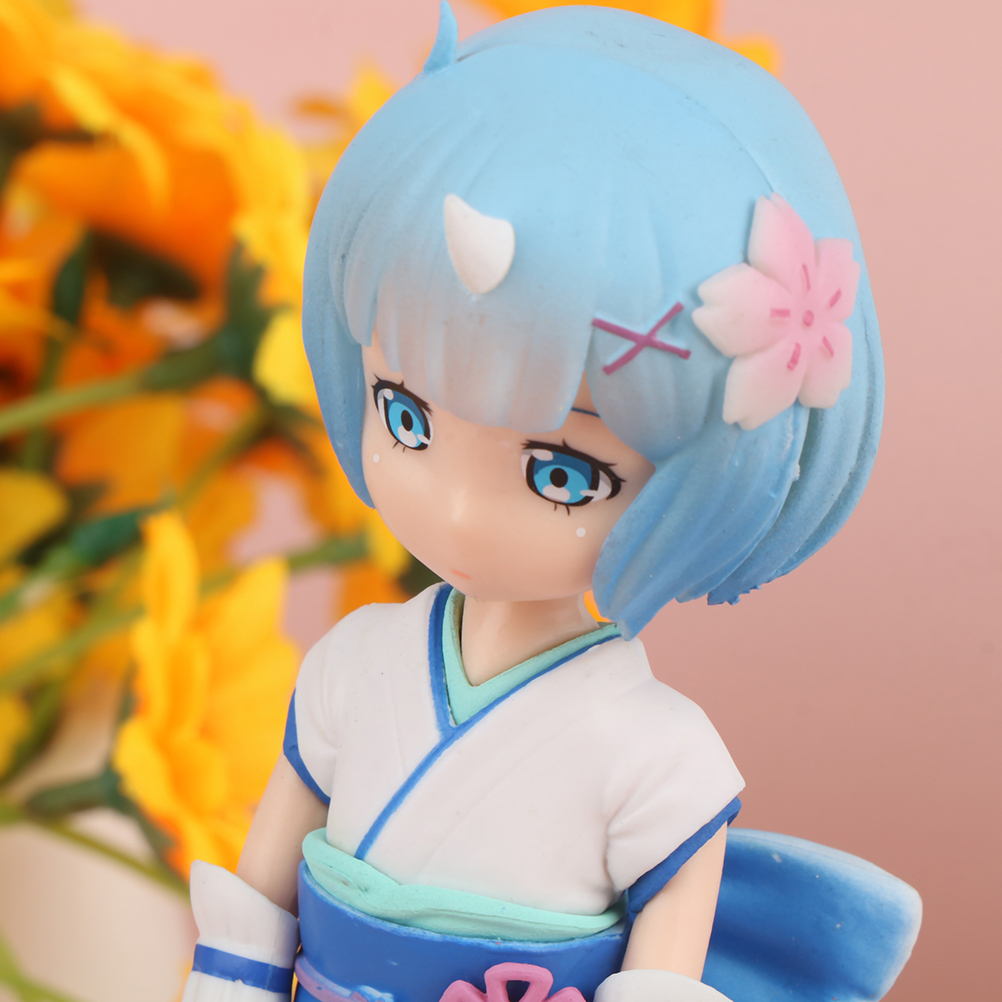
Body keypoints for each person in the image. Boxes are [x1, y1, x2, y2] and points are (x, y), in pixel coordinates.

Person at [181, 6, 904, 1002]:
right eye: (406, 416)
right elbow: (259, 896)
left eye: (561, 474)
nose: (459, 513)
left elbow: (660, 977)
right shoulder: (353, 669)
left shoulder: (658, 755)